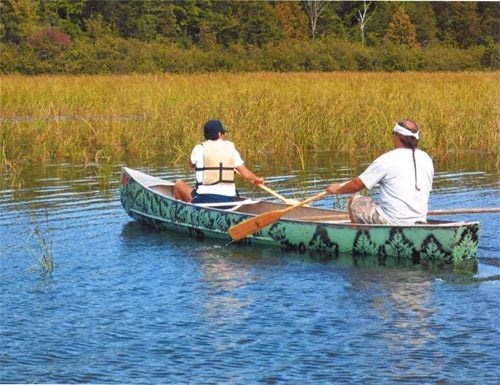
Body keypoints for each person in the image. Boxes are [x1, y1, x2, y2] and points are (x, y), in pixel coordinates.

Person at [326, 119, 434, 225]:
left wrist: (337, 189)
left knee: (355, 200)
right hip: (419, 220)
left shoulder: (387, 159)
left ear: (397, 136)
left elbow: (357, 185)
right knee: (377, 203)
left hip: (392, 221)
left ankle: (358, 236)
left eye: (393, 134)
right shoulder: (426, 158)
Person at [174, 119, 264, 204]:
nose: (224, 135)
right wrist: (257, 179)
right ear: (219, 134)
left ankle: (182, 213)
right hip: (229, 199)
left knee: (179, 184)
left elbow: (191, 165)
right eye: (223, 133)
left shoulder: (199, 148)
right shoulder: (231, 149)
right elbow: (246, 174)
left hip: (206, 199)